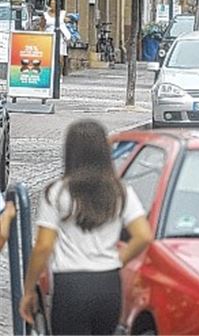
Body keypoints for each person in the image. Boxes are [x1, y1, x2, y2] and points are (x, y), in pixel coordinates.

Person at [19, 120, 154, 335]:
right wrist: (118, 260)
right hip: (108, 283)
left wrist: (28, 289)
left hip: (70, 285)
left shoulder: (57, 192)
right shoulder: (120, 192)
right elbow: (143, 235)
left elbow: (44, 246)